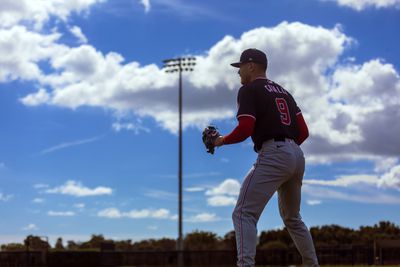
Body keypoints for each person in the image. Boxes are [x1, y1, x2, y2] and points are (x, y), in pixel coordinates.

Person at [213, 48, 319, 267]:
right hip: (297, 156)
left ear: (251, 66)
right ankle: (312, 265)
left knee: (243, 213)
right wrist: (288, 150)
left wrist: (221, 140)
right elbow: (304, 132)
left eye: (240, 66)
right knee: (292, 218)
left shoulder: (249, 90)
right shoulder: (284, 92)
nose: (238, 72)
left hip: (275, 151)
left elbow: (245, 128)